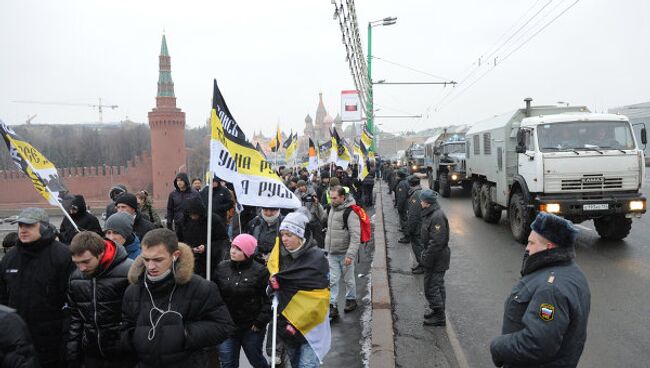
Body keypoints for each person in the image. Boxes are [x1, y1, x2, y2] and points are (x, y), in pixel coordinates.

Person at [121, 228, 235, 367]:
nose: (151, 266)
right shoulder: (133, 290)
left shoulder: (201, 287)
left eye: (158, 260)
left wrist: (184, 334)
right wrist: (135, 338)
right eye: (146, 259)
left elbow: (223, 326)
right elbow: (125, 326)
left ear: (175, 255)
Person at [490, 213, 591, 368]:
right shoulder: (571, 271)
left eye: (531, 243)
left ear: (548, 247)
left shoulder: (550, 289)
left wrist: (498, 347)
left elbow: (538, 344)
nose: (527, 248)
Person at [0, 208, 75, 368]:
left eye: (29, 226)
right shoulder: (9, 258)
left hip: (52, 342)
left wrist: (66, 340)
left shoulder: (62, 256)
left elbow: (72, 301)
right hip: (16, 341)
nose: (23, 230)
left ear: (44, 227)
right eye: (20, 225)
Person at [271, 210, 330, 368]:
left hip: (310, 328)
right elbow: (275, 285)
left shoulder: (317, 259)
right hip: (286, 326)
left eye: (289, 235)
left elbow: (320, 298)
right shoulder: (280, 257)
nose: (284, 239)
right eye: (282, 234)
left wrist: (296, 325)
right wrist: (271, 287)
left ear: (300, 235)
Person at [66, 231, 134, 368]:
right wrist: (73, 351)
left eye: (86, 261)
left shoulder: (129, 272)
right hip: (92, 354)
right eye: (77, 263)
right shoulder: (75, 278)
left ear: (101, 253)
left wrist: (127, 342)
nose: (82, 268)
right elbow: (76, 318)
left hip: (125, 354)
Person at [213, 234, 271, 368]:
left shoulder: (260, 271)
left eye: (238, 249)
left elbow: (268, 299)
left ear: (247, 252)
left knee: (255, 359)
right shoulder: (222, 268)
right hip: (227, 326)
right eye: (232, 247)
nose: (233, 251)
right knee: (227, 363)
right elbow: (215, 295)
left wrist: (260, 321)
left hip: (251, 327)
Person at [324, 186, 361, 320]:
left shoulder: (350, 212)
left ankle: (351, 299)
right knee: (332, 280)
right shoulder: (330, 209)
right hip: (332, 252)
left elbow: (356, 236)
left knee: (348, 279)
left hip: (345, 253)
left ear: (342, 197)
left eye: (334, 198)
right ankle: (332, 305)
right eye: (331, 197)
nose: (332, 200)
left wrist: (350, 255)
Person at [176, 197, 229, 278]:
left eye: (195, 214)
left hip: (210, 261)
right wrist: (188, 249)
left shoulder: (213, 219)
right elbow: (179, 241)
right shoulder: (182, 222)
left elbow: (223, 240)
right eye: (191, 214)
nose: (193, 217)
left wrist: (206, 247)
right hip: (189, 259)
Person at [419, 189, 450, 326]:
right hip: (434, 257)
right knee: (437, 286)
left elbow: (437, 242)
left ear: (427, 202)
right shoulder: (430, 213)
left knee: (431, 287)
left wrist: (425, 258)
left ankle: (440, 317)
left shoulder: (436, 216)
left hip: (437, 258)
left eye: (422, 200)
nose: (420, 202)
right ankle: (437, 310)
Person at [405, 175, 425, 274]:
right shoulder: (420, 192)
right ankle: (421, 264)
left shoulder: (415, 195)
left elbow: (413, 215)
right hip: (422, 225)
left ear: (410, 184)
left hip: (418, 227)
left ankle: (422, 266)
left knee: (418, 247)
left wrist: (410, 230)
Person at [395, 169, 411, 238]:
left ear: (399, 176)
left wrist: (399, 207)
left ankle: (407, 236)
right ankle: (404, 229)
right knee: (405, 219)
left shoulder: (401, 184)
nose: (396, 177)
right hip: (407, 204)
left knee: (404, 219)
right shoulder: (405, 181)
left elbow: (402, 198)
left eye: (396, 175)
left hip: (404, 205)